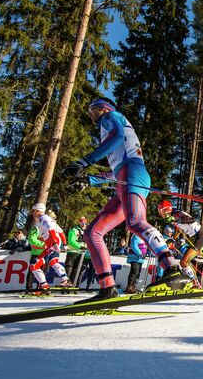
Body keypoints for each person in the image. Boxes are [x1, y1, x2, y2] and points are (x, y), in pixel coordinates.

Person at [62, 97, 190, 300]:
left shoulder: (110, 117)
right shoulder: (109, 128)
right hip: (125, 176)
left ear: (102, 109)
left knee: (136, 222)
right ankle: (107, 288)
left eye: (91, 109)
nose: (89, 114)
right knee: (92, 233)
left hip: (132, 172)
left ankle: (172, 269)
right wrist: (89, 180)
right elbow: (113, 171)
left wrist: (85, 161)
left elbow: (117, 136)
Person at [156, 200, 203, 287]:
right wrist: (173, 239)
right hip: (195, 238)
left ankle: (195, 283)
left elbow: (187, 219)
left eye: (160, 211)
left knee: (183, 262)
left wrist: (176, 219)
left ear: (166, 210)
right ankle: (195, 282)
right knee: (186, 262)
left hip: (200, 237)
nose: (159, 213)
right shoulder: (172, 218)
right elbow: (178, 229)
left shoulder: (176, 213)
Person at [28, 203, 72, 294]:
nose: (32, 213)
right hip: (52, 244)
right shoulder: (45, 219)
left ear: (39, 211)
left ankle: (45, 287)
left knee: (34, 265)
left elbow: (51, 230)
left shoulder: (44, 218)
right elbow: (60, 232)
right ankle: (64, 280)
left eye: (34, 211)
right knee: (53, 262)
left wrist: (55, 243)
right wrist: (64, 243)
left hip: (52, 244)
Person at [65, 217, 88, 286]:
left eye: (84, 223)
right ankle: (66, 285)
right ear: (79, 223)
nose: (83, 224)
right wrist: (80, 246)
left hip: (81, 253)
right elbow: (71, 241)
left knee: (77, 270)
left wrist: (86, 247)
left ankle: (73, 285)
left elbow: (86, 242)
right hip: (72, 252)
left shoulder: (86, 232)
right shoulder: (74, 230)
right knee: (69, 269)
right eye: (82, 223)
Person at [25, 225, 44, 290]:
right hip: (36, 253)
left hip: (46, 254)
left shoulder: (52, 228)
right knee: (32, 271)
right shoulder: (36, 227)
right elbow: (31, 239)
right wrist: (43, 245)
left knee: (43, 272)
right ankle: (29, 288)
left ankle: (41, 288)